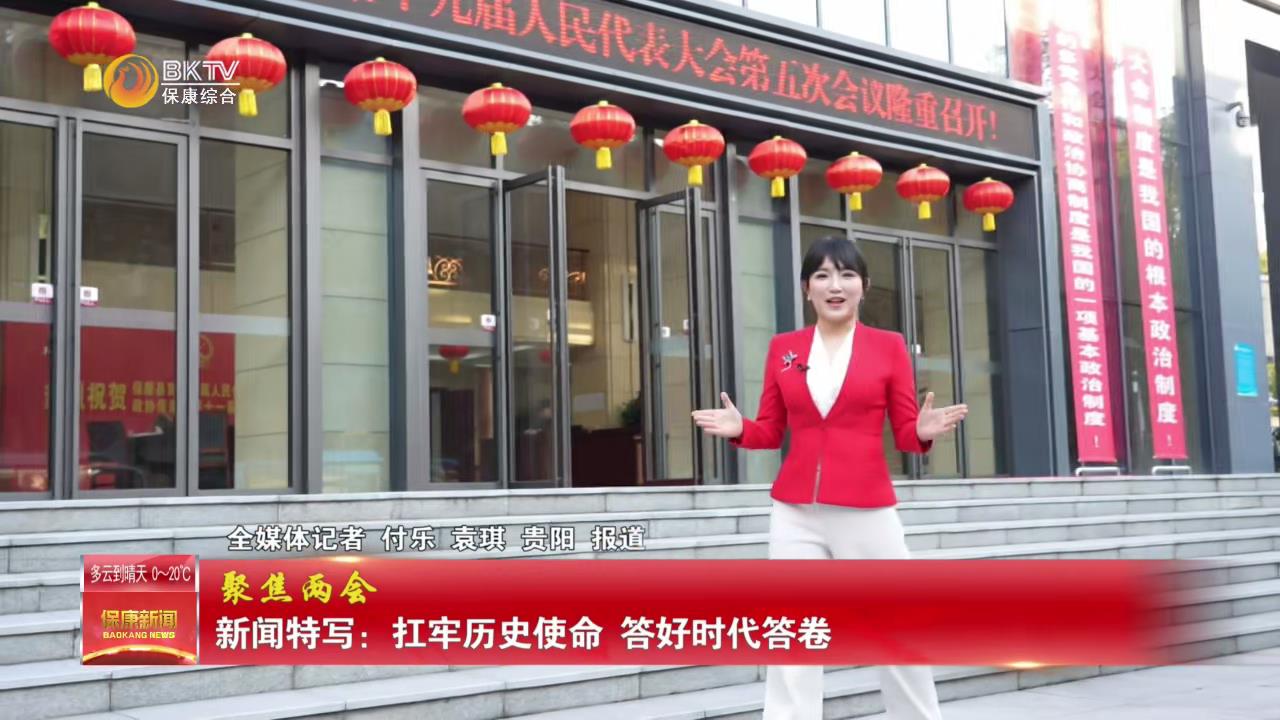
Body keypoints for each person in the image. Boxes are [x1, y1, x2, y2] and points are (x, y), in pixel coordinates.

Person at [692, 236, 966, 720]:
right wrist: (740, 429)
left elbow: (905, 434)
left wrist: (922, 432)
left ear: (864, 286)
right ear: (806, 288)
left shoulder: (888, 346)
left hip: (866, 508)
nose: (834, 286)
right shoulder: (784, 349)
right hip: (795, 511)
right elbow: (771, 430)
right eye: (822, 275)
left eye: (846, 275)